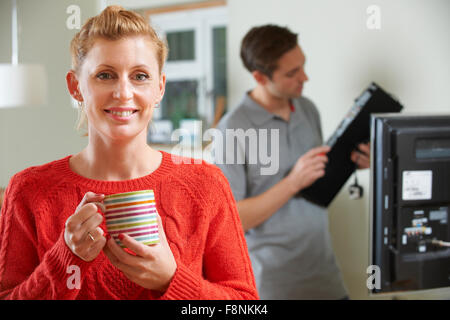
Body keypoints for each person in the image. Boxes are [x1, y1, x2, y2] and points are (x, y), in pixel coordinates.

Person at [0, 6, 258, 300]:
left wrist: (172, 281)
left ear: (159, 88)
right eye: (105, 75)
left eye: (140, 76)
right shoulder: (28, 190)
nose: (123, 92)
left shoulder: (206, 183)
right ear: (76, 87)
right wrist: (64, 261)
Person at [214, 24, 370, 299]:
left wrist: (351, 163)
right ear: (260, 77)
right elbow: (232, 220)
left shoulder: (307, 109)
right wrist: (292, 182)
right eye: (292, 73)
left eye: (303, 66)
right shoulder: (233, 128)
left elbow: (316, 182)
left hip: (326, 277)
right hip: (274, 286)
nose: (304, 77)